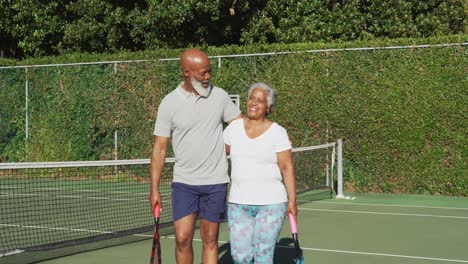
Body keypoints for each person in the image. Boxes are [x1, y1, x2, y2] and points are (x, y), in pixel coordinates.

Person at [149, 48, 241, 264]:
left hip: (216, 181)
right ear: (186, 72)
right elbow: (160, 148)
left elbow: (238, 125)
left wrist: (229, 143)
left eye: (209, 72)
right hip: (184, 183)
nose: (207, 77)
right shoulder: (169, 103)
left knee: (210, 239)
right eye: (202, 73)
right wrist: (154, 189)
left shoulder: (220, 96)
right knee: (182, 238)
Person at [223, 82, 297, 263]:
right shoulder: (233, 128)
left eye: (260, 101)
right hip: (238, 204)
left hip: (271, 205)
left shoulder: (278, 133)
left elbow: (286, 167)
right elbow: (218, 155)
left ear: (269, 108)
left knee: (263, 256)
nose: (253, 103)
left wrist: (292, 201)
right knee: (240, 257)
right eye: (251, 98)